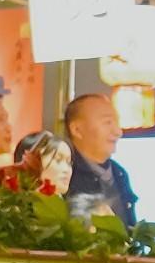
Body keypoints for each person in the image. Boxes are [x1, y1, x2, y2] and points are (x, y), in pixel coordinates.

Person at [59, 92, 137, 223]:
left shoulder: (119, 173)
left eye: (117, 123)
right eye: (108, 122)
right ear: (77, 130)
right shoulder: (62, 172)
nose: (118, 132)